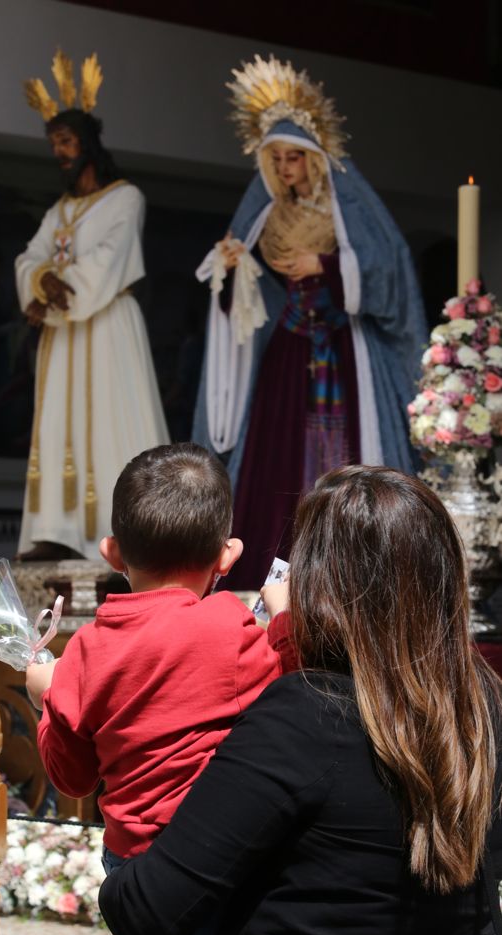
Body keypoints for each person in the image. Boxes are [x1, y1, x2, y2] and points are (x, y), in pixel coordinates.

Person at [99, 465, 502, 935]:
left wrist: (122, 816)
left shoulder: (307, 716)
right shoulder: (483, 709)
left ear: (319, 584)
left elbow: (146, 912)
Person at [192, 55, 428, 587]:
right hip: (290, 352)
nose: (283, 169)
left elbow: (386, 269)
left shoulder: (346, 209)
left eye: (293, 158)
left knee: (345, 453)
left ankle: (356, 570)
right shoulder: (267, 217)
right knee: (277, 460)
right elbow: (250, 302)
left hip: (343, 353)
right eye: (274, 159)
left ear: (315, 159)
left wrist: (322, 266)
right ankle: (271, 577)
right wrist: (232, 271)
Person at [25, 443, 295, 876]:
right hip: (221, 853)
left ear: (112, 553)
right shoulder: (231, 627)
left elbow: (72, 778)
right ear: (227, 556)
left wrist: (47, 701)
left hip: (132, 864)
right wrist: (283, 616)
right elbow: (295, 688)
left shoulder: (87, 648)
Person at [16, 51, 168, 561]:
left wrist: (57, 290)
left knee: (112, 427)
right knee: (57, 424)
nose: (59, 152)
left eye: (66, 141)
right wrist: (40, 281)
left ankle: (122, 534)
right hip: (63, 336)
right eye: (53, 144)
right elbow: (30, 257)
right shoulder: (59, 210)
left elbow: (109, 262)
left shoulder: (126, 199)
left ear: (88, 144)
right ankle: (58, 531)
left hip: (107, 328)